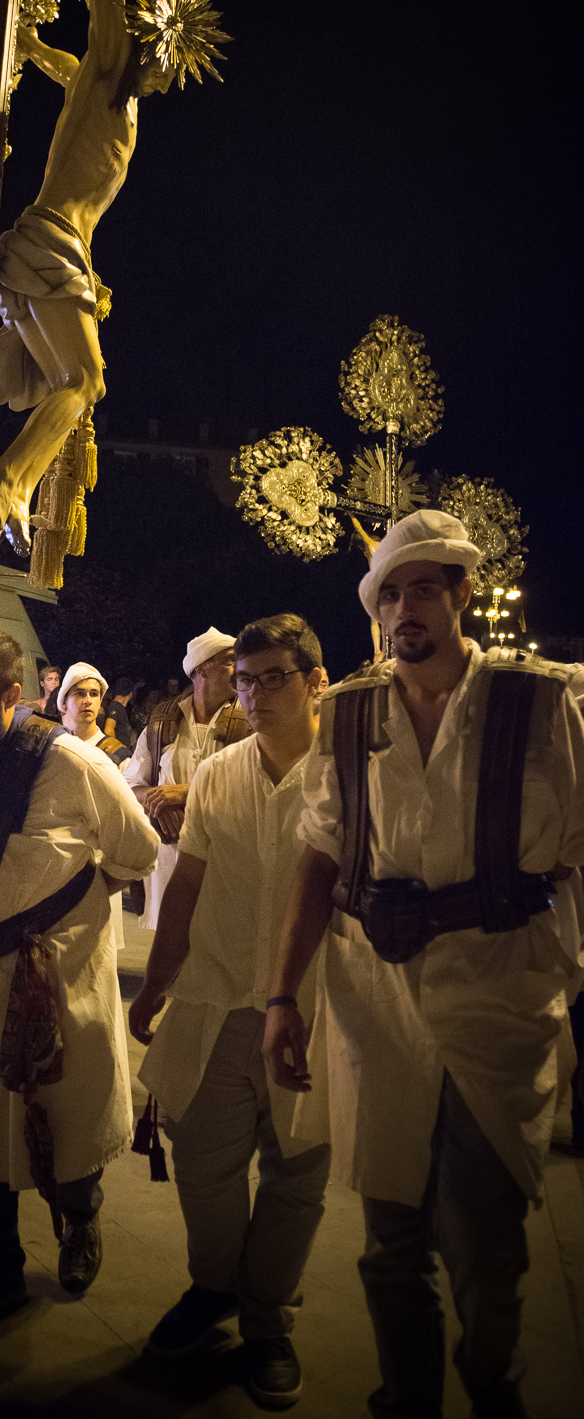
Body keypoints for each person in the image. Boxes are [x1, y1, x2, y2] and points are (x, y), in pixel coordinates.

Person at [262, 510, 584, 1419]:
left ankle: (493, 1385)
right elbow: (319, 857)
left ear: (462, 595)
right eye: (390, 592)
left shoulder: (540, 702)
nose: (406, 607)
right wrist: (284, 996)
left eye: (424, 588)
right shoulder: (352, 711)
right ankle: (407, 1400)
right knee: (390, 1234)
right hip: (377, 999)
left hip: (502, 997)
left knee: (487, 1242)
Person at [0, 628, 159, 1338]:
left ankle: (79, 1220)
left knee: (64, 1126)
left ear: (14, 697)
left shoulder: (71, 762)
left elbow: (137, 853)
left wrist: (70, 920)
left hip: (52, 988)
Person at [128, 615, 331, 1406]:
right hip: (214, 997)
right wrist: (155, 983)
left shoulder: (347, 772)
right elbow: (186, 886)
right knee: (201, 1157)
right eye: (244, 680)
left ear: (316, 680)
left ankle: (267, 1317)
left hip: (309, 1008)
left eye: (273, 677)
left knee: (297, 1174)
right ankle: (214, 1286)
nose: (253, 695)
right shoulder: (218, 774)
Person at [0, 0, 226, 555]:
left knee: (40, 385)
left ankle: (14, 470)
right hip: (52, 244)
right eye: (172, 66)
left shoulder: (111, 95)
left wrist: (29, 45)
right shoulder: (114, 63)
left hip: (58, 251)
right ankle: (8, 477)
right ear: (154, 45)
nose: (172, 83)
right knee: (85, 382)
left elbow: (67, 68)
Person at [125, 629, 248, 929]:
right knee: (172, 952)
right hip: (170, 858)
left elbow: (256, 786)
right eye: (230, 661)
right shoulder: (162, 723)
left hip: (226, 859)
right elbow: (130, 785)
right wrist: (159, 803)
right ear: (200, 668)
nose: (240, 669)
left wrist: (187, 793)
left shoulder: (250, 721)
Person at [58, 662, 132, 948]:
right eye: (79, 693)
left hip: (96, 864)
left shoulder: (116, 756)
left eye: (93, 694)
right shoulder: (50, 747)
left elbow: (125, 822)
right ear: (63, 702)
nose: (87, 700)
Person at [103, 678, 136, 749]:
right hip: (119, 756)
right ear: (130, 694)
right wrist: (117, 750)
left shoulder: (118, 707)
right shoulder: (115, 707)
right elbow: (108, 730)